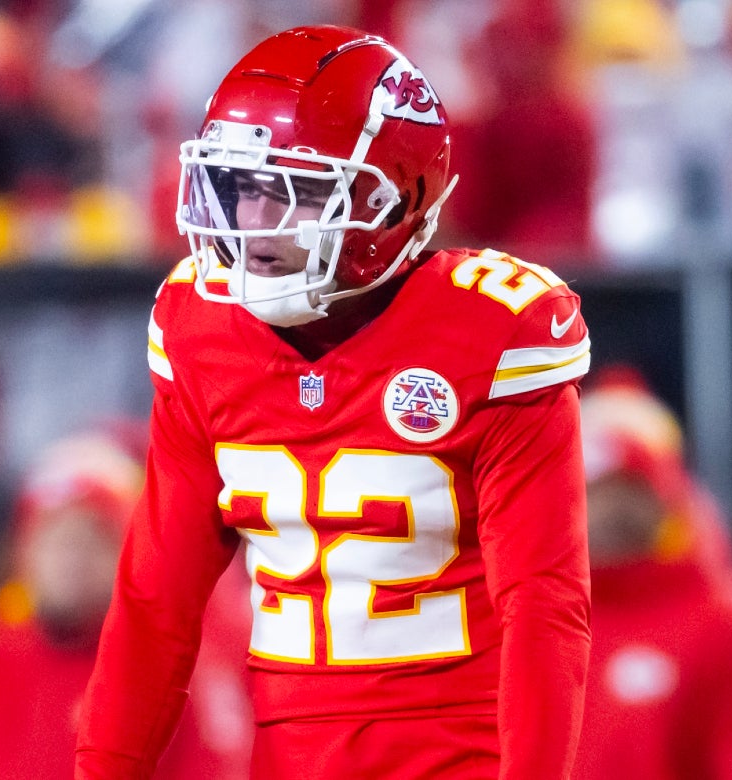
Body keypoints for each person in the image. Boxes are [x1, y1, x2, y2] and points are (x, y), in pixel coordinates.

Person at [78, 24, 594, 779]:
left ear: (392, 200)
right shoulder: (201, 330)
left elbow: (543, 609)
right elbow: (156, 602)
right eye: (242, 187)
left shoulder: (491, 334)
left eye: (296, 192)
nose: (253, 226)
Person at [0, 430, 253, 780]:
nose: (69, 558)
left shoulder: (180, 677)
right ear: (22, 553)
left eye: (90, 537)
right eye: (53, 537)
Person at [572, 368, 732, 780]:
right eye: (591, 492)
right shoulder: (523, 618)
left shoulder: (731, 624)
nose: (607, 512)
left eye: (627, 489)